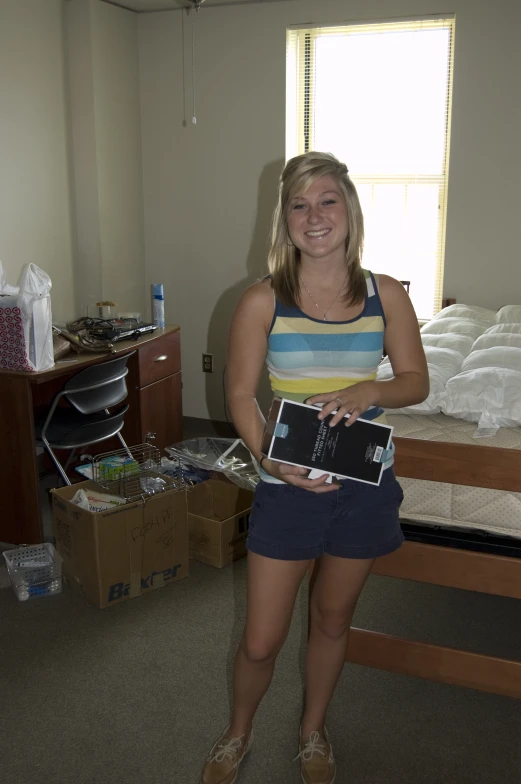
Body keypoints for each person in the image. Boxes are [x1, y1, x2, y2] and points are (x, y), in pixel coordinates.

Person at [200, 151, 429, 784]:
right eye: (299, 204)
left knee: (332, 620)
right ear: (285, 220)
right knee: (260, 639)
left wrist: (370, 392)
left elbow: (415, 381)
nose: (314, 215)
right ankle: (237, 732)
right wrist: (270, 455)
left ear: (350, 211)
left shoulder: (387, 295)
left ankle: (313, 730)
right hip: (287, 486)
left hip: (363, 485)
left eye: (327, 200)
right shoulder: (260, 300)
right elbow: (240, 395)